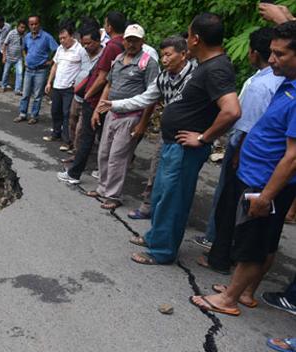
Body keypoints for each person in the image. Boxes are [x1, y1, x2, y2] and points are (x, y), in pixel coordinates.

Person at [190, 21, 296, 315]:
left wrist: (266, 197)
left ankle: (229, 300)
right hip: (254, 175)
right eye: (271, 52)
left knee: (254, 243)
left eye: (280, 54)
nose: (271, 59)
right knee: (255, 238)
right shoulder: (287, 83)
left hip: (266, 183)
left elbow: (293, 157)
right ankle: (241, 291)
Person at [126, 13, 240, 265]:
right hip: (172, 143)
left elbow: (232, 110)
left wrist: (203, 137)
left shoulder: (217, 68)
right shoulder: (206, 66)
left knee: (173, 199)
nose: (186, 39)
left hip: (186, 147)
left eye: (188, 35)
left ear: (196, 39)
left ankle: (162, 252)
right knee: (161, 195)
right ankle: (156, 237)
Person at [114, 36, 196, 220]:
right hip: (167, 134)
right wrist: (114, 104)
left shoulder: (196, 76)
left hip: (187, 138)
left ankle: (170, 219)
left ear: (183, 55)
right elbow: (145, 98)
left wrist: (203, 136)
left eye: (168, 55)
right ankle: (151, 208)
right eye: (162, 55)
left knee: (176, 181)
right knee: (157, 169)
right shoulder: (164, 77)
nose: (164, 60)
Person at [82, 24, 159, 210]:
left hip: (131, 116)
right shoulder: (118, 59)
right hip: (111, 113)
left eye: (135, 40)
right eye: (129, 39)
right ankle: (102, 188)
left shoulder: (148, 63)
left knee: (118, 157)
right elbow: (109, 85)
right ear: (123, 40)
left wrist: (142, 123)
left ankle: (114, 195)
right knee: (104, 153)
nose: (131, 43)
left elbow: (152, 96)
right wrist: (98, 109)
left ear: (142, 41)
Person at [57, 11, 127, 183]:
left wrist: (88, 94)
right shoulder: (123, 45)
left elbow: (103, 77)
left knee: (87, 136)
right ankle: (102, 173)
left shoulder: (111, 47)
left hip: (97, 100)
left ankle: (74, 173)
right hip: (109, 99)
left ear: (109, 26)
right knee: (102, 137)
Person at [42, 22, 89, 150]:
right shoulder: (60, 49)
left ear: (72, 36)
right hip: (57, 86)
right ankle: (56, 133)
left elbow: (85, 69)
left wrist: (78, 83)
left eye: (64, 38)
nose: (62, 41)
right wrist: (49, 82)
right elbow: (55, 65)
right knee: (55, 111)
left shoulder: (80, 50)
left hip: (69, 88)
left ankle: (67, 140)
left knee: (67, 114)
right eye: (60, 38)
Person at [65, 26, 103, 157]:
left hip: (90, 98)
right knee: (72, 122)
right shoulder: (82, 53)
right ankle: (73, 146)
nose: (86, 46)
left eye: (89, 43)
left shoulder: (103, 56)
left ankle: (77, 155)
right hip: (78, 95)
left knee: (82, 128)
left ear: (98, 41)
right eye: (84, 43)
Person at [13, 15, 58, 124]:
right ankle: (22, 113)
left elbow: (57, 49)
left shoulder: (46, 37)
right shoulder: (27, 36)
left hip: (41, 70)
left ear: (39, 24)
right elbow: (24, 49)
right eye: (31, 24)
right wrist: (26, 59)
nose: (33, 26)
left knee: (37, 95)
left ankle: (34, 115)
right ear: (29, 25)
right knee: (25, 94)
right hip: (29, 69)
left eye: (35, 24)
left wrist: (51, 61)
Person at [0, 19, 26, 94]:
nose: (22, 29)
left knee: (20, 73)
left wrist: (25, 59)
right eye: (21, 27)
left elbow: (23, 48)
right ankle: (3, 85)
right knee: (6, 72)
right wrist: (4, 56)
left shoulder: (24, 35)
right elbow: (5, 45)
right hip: (9, 57)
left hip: (19, 58)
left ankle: (17, 89)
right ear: (17, 27)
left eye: (24, 28)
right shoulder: (11, 33)